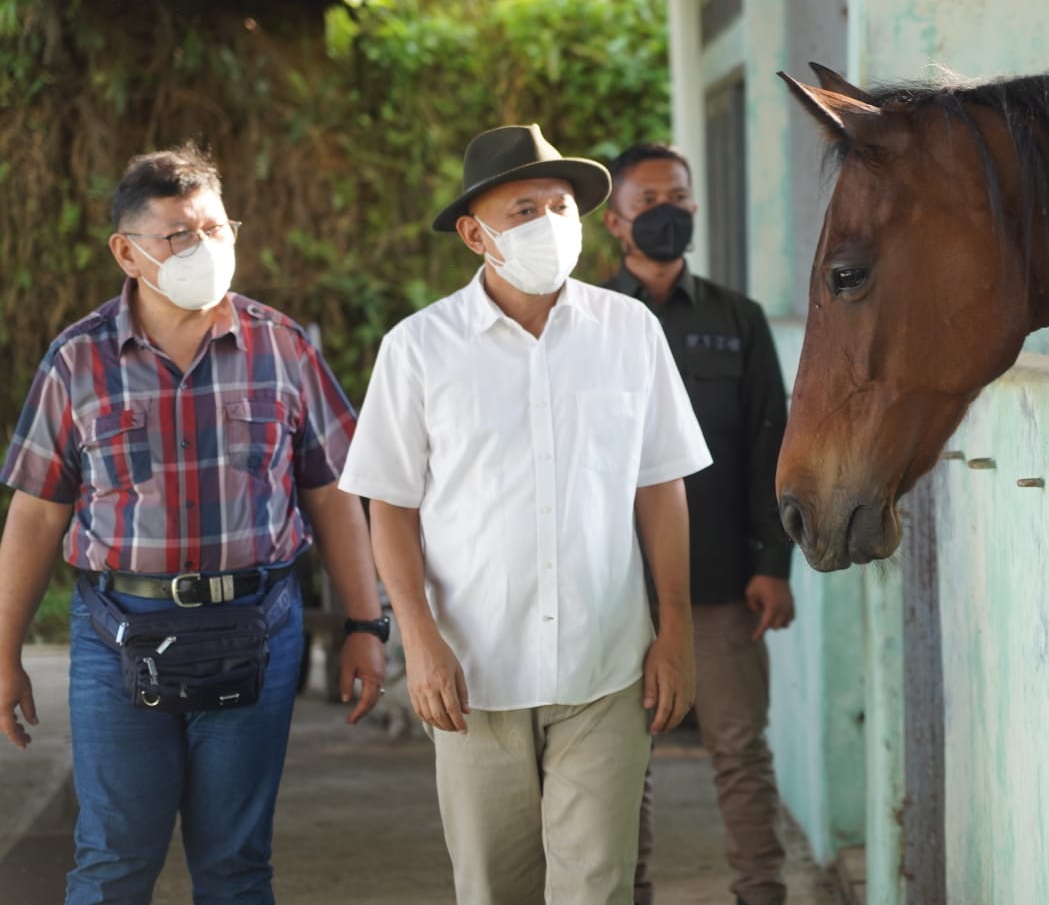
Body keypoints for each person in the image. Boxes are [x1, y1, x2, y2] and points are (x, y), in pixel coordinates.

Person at [0, 142, 388, 903]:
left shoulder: (282, 348)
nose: (204, 248)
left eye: (216, 229)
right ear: (128, 251)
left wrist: (366, 627)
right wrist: (4, 650)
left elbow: (334, 495)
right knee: (114, 860)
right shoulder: (77, 361)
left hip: (256, 629)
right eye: (179, 234)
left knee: (237, 867)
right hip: (118, 637)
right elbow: (36, 518)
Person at [338, 124, 711, 905]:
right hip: (472, 672)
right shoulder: (418, 349)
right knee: (492, 890)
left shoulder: (629, 332)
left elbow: (661, 486)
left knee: (598, 888)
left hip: (606, 665)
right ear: (475, 234)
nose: (551, 223)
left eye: (562, 205)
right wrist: (418, 638)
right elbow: (390, 506)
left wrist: (673, 629)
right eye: (524, 210)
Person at [601, 143, 794, 905]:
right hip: (614, 591)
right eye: (647, 202)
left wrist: (772, 563)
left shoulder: (737, 320)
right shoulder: (589, 320)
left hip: (721, 584)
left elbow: (771, 446)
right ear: (616, 223)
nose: (665, 213)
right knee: (622, 765)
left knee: (740, 752)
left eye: (677, 197)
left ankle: (761, 892)